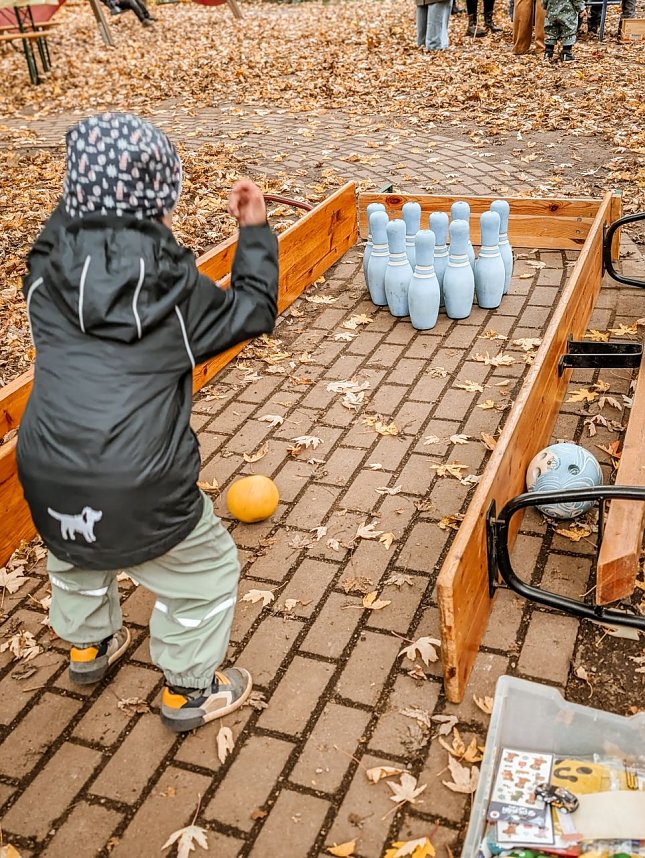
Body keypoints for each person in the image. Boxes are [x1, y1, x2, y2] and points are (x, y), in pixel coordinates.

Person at [17, 112, 279, 733]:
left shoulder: (44, 268)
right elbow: (254, 310)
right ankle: (189, 692)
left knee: (76, 553)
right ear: (161, 198)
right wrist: (254, 232)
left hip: (47, 467)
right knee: (206, 572)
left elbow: (73, 222)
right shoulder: (171, 293)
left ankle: (87, 648)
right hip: (138, 482)